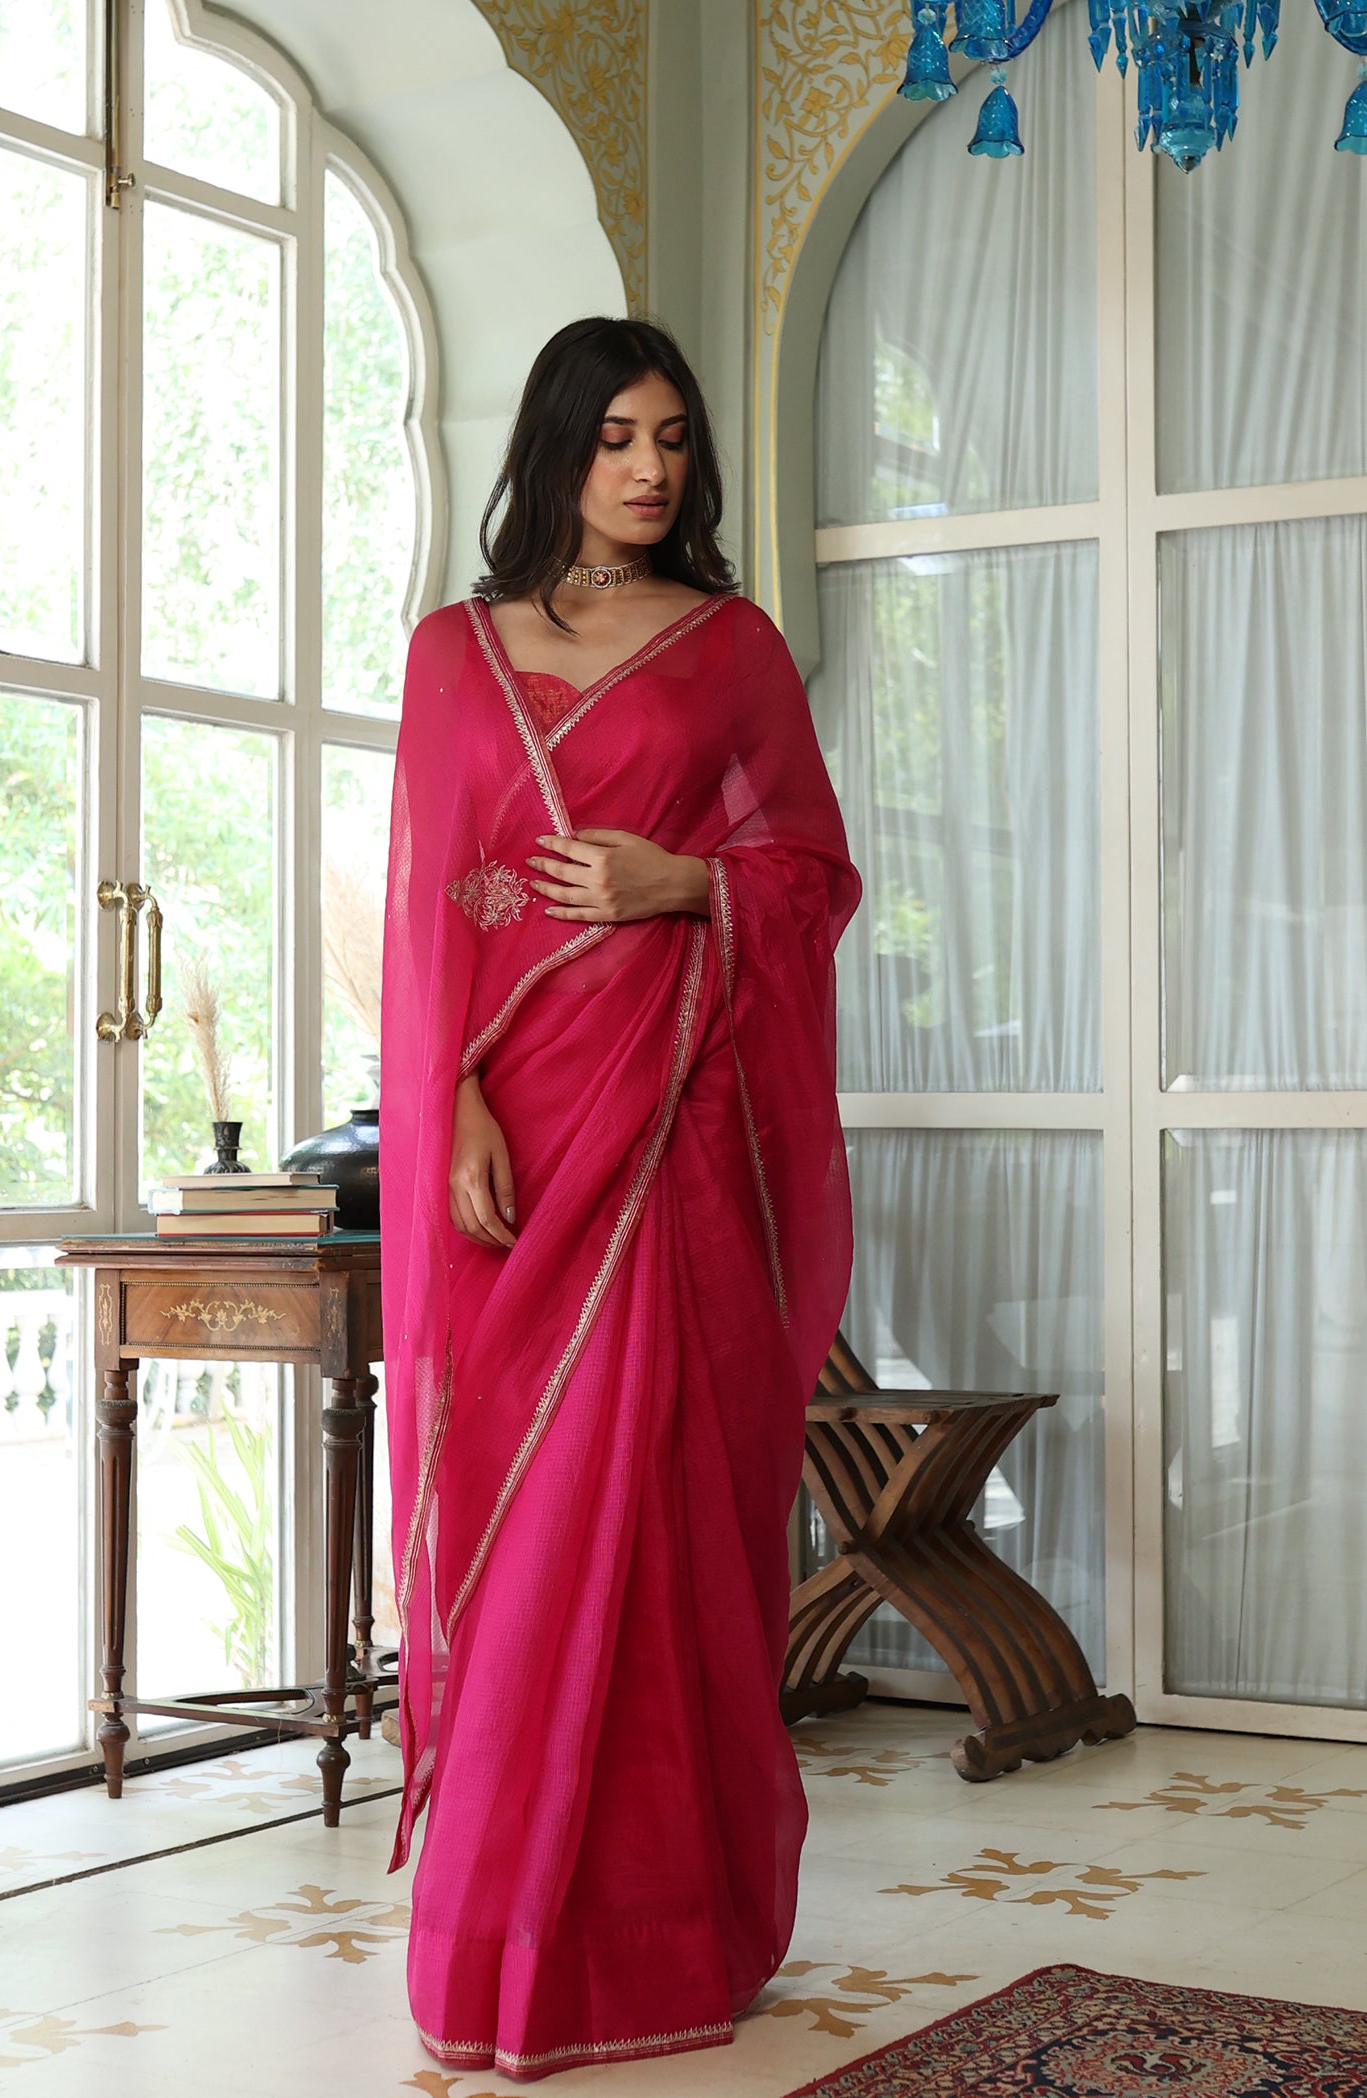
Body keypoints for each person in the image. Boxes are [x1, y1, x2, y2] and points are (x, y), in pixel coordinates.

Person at [380, 315, 861, 2081]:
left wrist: (686, 885)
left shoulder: (733, 649)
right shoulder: (454, 654)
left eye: (673, 438)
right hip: (517, 1144)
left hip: (673, 1136)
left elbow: (810, 870)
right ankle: (500, 1944)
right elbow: (435, 908)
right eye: (617, 439)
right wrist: (446, 1105)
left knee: (654, 1511)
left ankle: (665, 1930)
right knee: (520, 1525)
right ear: (556, 448)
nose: (652, 469)